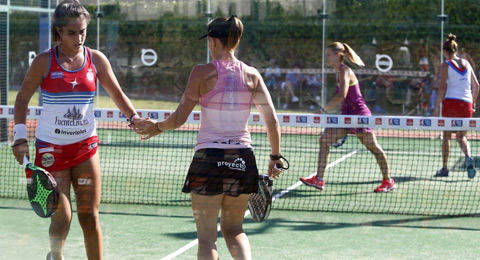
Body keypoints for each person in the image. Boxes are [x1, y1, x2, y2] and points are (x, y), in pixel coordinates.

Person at [134, 15, 283, 260]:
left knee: (207, 239)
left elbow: (180, 118)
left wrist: (155, 127)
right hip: (243, 159)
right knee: (235, 230)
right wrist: (275, 157)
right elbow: (272, 122)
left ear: (213, 41)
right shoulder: (252, 75)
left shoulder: (201, 73)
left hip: (208, 160)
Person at [10, 1, 140, 259]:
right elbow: (22, 99)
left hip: (86, 148)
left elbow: (117, 93)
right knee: (63, 216)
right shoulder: (44, 61)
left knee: (89, 215)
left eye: (82, 31)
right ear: (58, 31)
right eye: (72, 32)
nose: (79, 37)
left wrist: (135, 118)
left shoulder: (96, 59)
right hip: (51, 150)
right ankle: (56, 255)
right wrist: (20, 137)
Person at [299, 42, 395, 193]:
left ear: (338, 55)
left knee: (374, 148)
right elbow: (344, 99)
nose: (326, 58)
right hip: (347, 115)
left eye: (328, 55)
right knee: (325, 140)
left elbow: (341, 95)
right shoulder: (338, 72)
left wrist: (323, 110)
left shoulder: (345, 71)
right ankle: (319, 179)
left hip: (359, 116)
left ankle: (388, 181)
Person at [433, 34, 479, 179]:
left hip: (451, 103)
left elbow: (442, 88)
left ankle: (445, 168)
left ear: (444, 51)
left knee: (447, 136)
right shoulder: (467, 63)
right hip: (466, 104)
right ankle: (468, 157)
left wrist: (435, 109)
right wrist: (473, 104)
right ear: (456, 50)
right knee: (462, 136)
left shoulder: (445, 65)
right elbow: (476, 86)